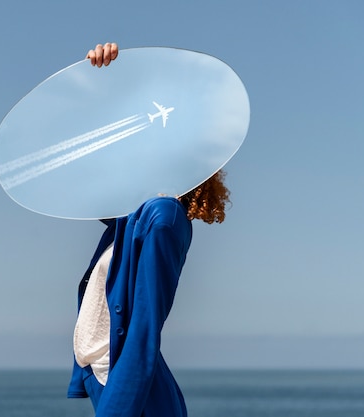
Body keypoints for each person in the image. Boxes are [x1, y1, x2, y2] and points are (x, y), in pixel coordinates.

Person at [67, 43, 231, 417]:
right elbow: (83, 180)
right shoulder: (135, 212)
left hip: (131, 391)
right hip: (105, 376)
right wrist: (103, 81)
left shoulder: (162, 217)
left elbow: (142, 333)